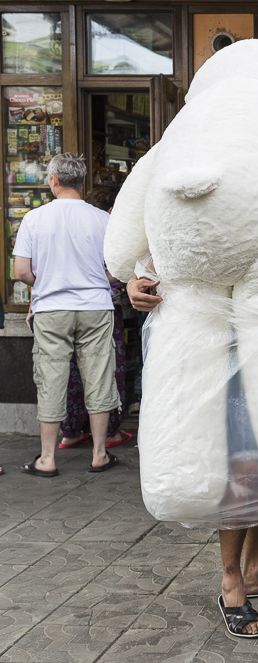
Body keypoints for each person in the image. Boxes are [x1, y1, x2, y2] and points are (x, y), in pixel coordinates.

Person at [125, 169, 258, 639]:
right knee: (239, 469)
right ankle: (231, 582)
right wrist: (135, 285)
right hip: (219, 367)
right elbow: (159, 265)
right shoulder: (230, 219)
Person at [13, 153, 119, 476]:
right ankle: (99, 453)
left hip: (51, 308)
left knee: (51, 376)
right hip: (95, 307)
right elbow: (115, 269)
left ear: (54, 181)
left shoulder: (34, 219)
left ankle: (47, 457)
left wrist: (43, 282)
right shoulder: (102, 219)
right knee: (99, 375)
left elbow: (21, 271)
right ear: (81, 182)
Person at [58, 185, 133, 450]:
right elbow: (117, 270)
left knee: (73, 371)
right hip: (102, 308)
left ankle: (71, 431)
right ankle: (109, 432)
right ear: (112, 209)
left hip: (64, 308)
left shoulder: (68, 227)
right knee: (107, 369)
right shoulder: (109, 228)